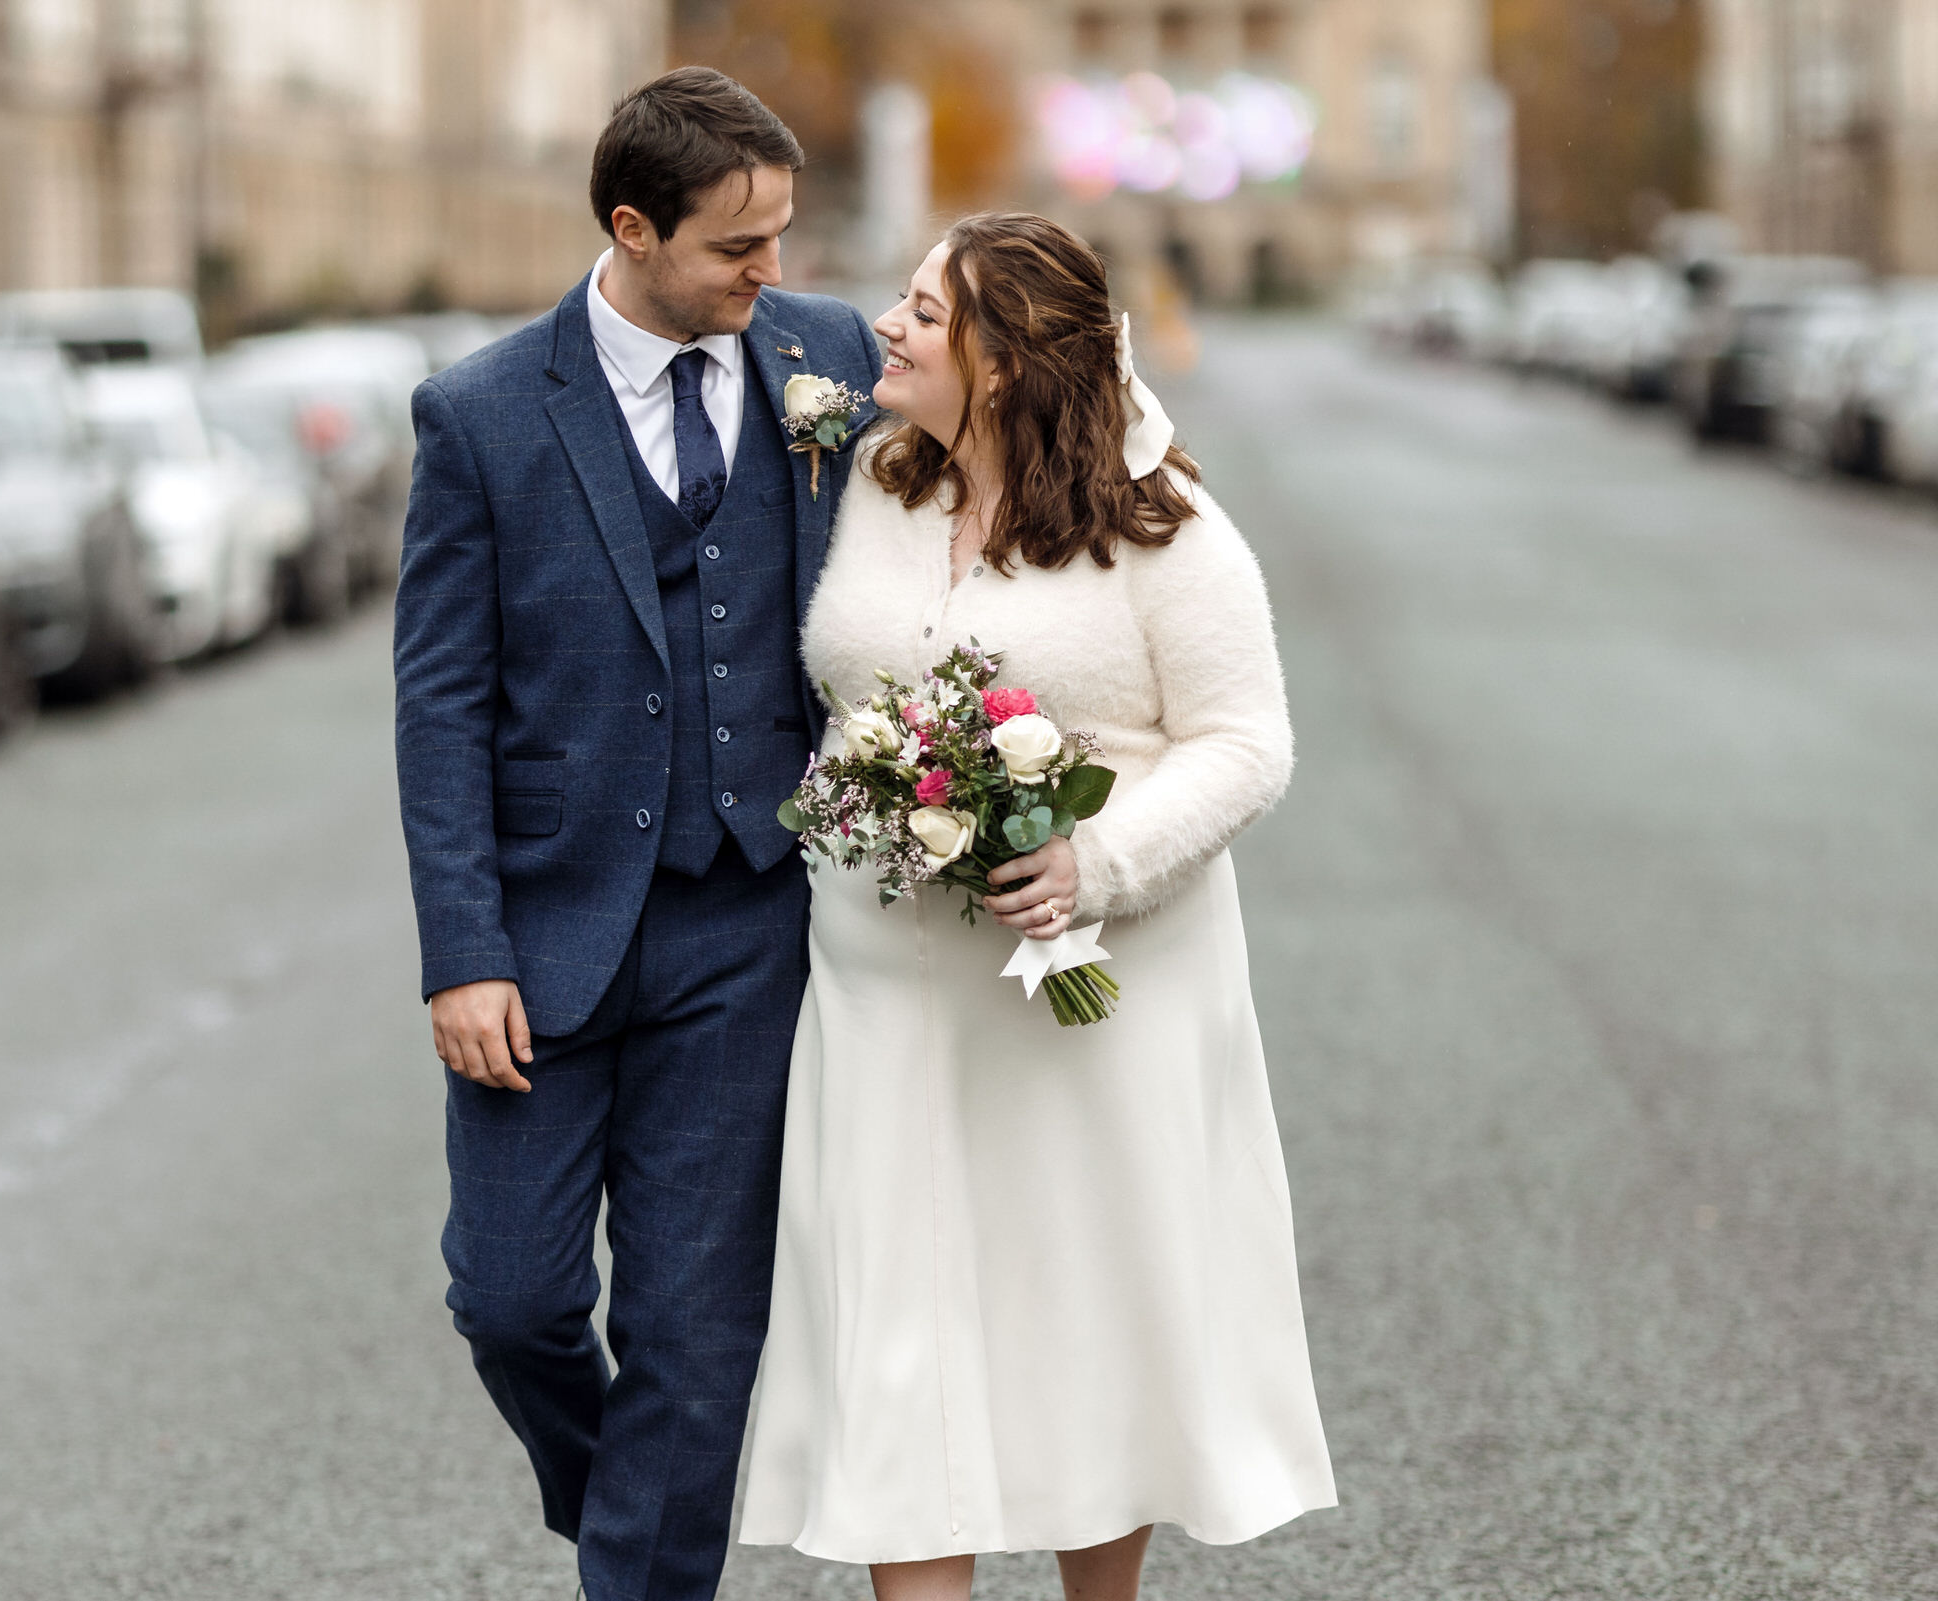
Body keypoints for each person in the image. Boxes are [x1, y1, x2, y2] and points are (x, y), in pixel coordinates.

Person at [739, 213, 1338, 1600]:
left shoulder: (1162, 526)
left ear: (1003, 360)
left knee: (1080, 1314)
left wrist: (1096, 863)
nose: (884, 326)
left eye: (923, 311)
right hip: (887, 989)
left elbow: (1248, 743)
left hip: (1094, 995)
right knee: (896, 1320)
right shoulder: (877, 488)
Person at [391, 68, 880, 1601]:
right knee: (515, 1301)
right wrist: (462, 953)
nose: (772, 273)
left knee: (692, 1328)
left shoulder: (829, 359)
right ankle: (632, 1511)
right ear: (632, 228)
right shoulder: (480, 412)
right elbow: (439, 705)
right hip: (543, 941)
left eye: (784, 236)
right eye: (740, 247)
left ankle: (643, 1565)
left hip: (752, 926)